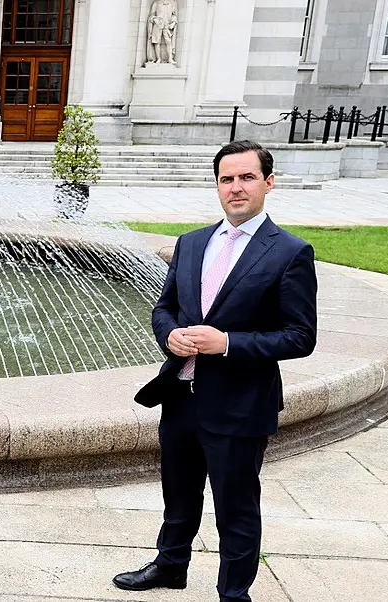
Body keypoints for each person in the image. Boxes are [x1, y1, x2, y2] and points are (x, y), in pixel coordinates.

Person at [112, 140, 318, 602]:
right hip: (181, 395)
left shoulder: (289, 252)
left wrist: (227, 344)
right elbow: (164, 309)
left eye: (246, 177)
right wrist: (169, 335)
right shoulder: (192, 243)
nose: (236, 188)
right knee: (178, 494)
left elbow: (300, 337)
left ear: (268, 182)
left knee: (236, 507)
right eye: (227, 179)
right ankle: (170, 565)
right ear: (217, 185)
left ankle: (233, 593)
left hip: (241, 405)